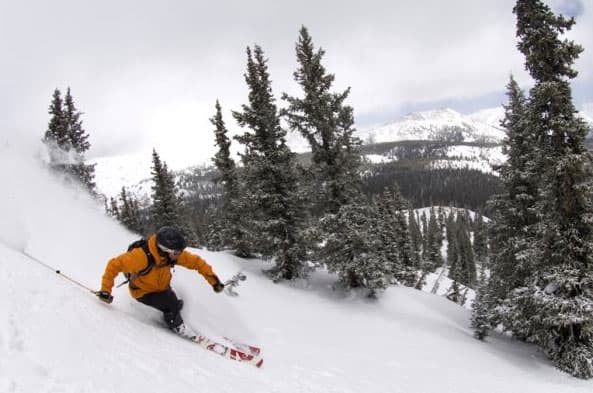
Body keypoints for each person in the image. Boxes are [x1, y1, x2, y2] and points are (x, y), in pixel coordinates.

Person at [96, 226, 224, 338]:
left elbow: (197, 263)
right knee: (171, 305)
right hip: (143, 292)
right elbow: (113, 265)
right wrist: (105, 290)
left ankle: (171, 315)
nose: (180, 255)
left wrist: (214, 281)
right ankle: (177, 326)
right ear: (164, 250)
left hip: (162, 287)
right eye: (177, 252)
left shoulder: (171, 256)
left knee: (176, 303)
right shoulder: (140, 257)